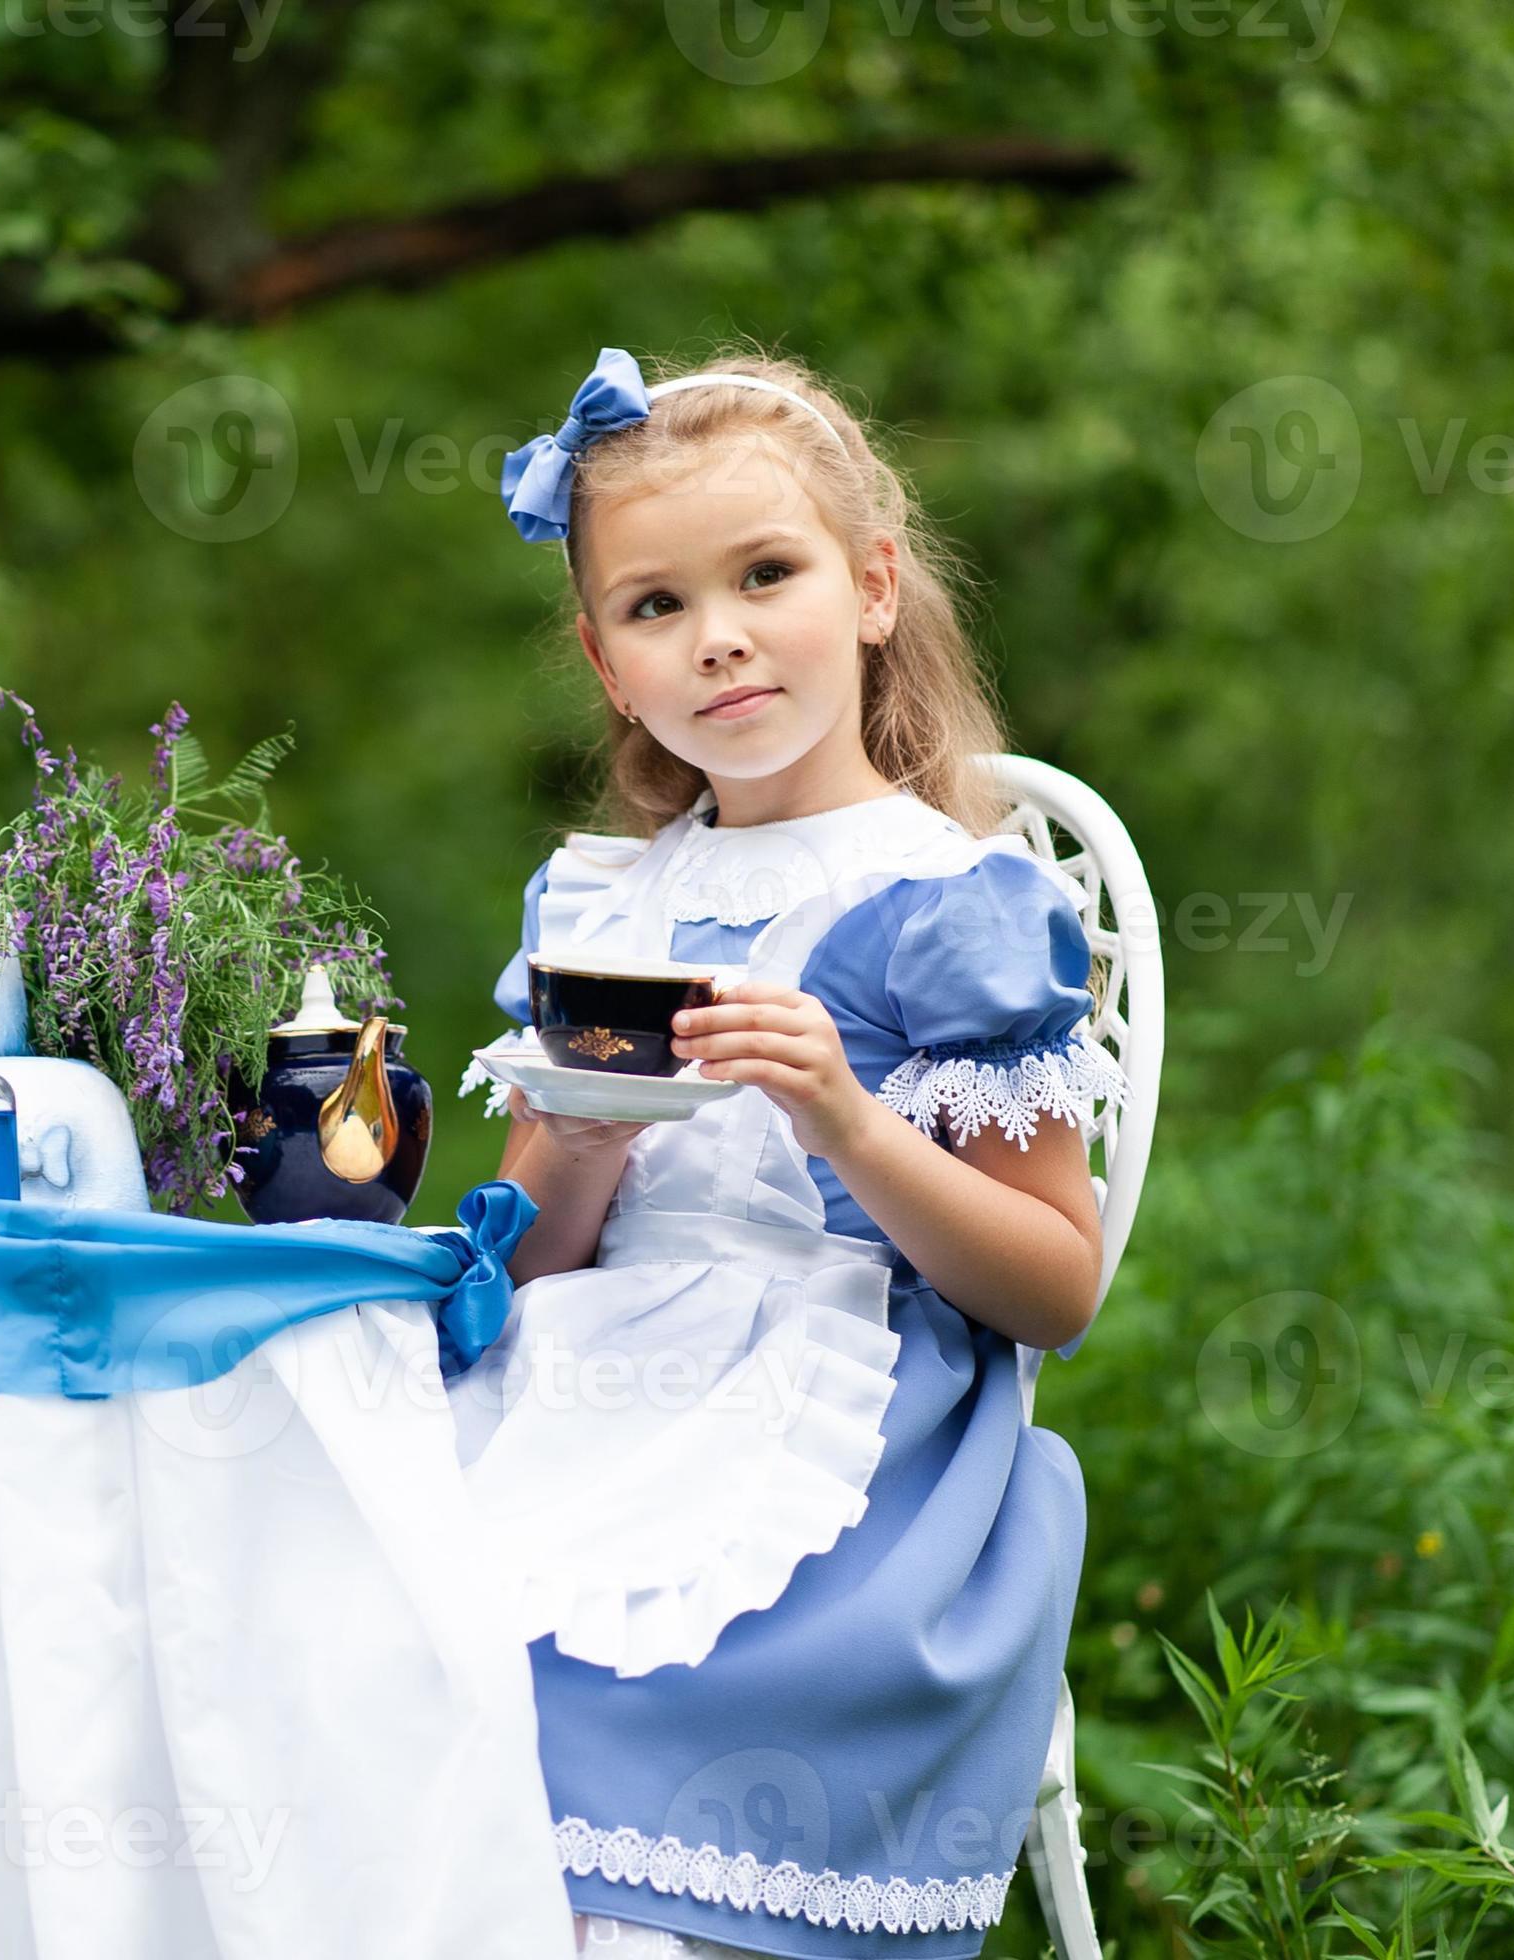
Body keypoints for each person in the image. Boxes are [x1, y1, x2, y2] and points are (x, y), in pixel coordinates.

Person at [452, 346, 1129, 1959]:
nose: (721, 637)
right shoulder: (598, 905)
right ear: (607, 662)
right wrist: (585, 1130)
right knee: (372, 1600)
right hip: (591, 1377)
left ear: (873, 585)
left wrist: (843, 1115)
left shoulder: (949, 900)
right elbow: (533, 1256)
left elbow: (1054, 1287)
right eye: (656, 606)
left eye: (766, 575)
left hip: (845, 1430)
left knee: (592, 1658)